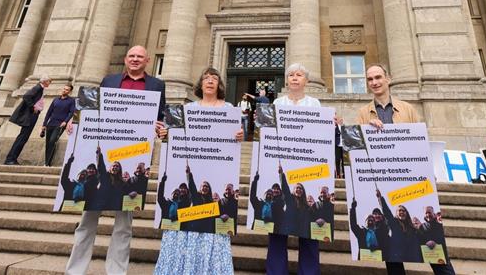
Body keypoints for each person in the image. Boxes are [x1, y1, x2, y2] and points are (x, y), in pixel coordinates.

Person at [65, 45, 166, 275]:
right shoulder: (108, 80)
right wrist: (76, 121)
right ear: (125, 58)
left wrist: (161, 127)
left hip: (133, 158)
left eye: (140, 56)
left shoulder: (156, 85)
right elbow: (93, 110)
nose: (135, 59)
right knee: (87, 219)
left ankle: (116, 272)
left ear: (148, 60)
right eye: (131, 56)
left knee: (124, 223)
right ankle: (75, 271)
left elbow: (160, 115)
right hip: (103, 157)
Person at [357, 63, 455, 275]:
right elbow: (358, 152)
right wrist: (366, 130)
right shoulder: (363, 113)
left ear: (388, 79)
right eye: (370, 80)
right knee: (392, 249)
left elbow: (420, 146)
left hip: (410, 183)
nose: (374, 82)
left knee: (432, 244)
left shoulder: (408, 109)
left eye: (378, 77)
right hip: (383, 182)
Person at [153, 67, 243, 275]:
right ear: (200, 84)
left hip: (217, 172)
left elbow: (233, 142)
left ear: (219, 84)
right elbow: (173, 139)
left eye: (214, 78)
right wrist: (167, 134)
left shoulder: (229, 108)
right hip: (193, 168)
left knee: (211, 226)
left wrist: (239, 135)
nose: (210, 81)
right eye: (206, 78)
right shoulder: (188, 109)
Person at [265, 63, 323, 275]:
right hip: (281, 172)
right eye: (291, 75)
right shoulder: (278, 103)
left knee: (307, 229)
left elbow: (320, 137)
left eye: (299, 75)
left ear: (306, 80)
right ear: (286, 80)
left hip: (307, 173)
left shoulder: (314, 103)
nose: (295, 78)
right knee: (277, 227)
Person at [5, 75, 51, 165]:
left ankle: (12, 158)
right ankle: (10, 159)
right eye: (49, 81)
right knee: (22, 137)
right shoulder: (38, 87)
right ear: (45, 82)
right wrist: (32, 107)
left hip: (33, 115)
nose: (50, 83)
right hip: (30, 115)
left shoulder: (40, 89)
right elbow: (26, 96)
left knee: (23, 138)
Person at [376, 189, 421, 263]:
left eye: (403, 210)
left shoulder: (412, 228)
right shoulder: (394, 223)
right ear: (396, 214)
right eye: (399, 210)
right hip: (396, 257)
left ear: (406, 213)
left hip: (411, 258)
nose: (401, 212)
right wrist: (380, 198)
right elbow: (387, 212)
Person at [41, 82, 76, 166]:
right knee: (48, 143)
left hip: (60, 125)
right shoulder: (56, 100)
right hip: (50, 124)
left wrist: (65, 121)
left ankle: (47, 163)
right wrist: (44, 124)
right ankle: (47, 163)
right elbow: (49, 113)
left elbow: (71, 112)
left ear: (70, 92)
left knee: (53, 141)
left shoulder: (71, 101)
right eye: (64, 89)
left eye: (67, 90)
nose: (64, 90)